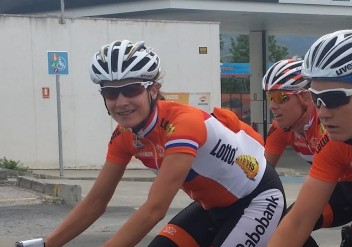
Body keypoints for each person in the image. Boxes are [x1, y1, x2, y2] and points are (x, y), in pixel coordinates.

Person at [44, 40, 286, 247]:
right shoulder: (124, 135)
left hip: (258, 199)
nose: (121, 101)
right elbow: (95, 203)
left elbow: (155, 208)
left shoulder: (184, 123)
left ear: (153, 90)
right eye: (110, 93)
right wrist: (46, 244)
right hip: (210, 207)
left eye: (131, 89)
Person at [267, 29, 352, 247]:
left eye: (334, 98)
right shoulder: (334, 142)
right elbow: (298, 222)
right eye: (316, 99)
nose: (322, 112)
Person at [263, 59, 352, 247]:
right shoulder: (280, 129)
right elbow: (263, 177)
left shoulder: (330, 125)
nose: (273, 106)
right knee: (282, 227)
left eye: (281, 97)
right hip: (339, 191)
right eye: (270, 97)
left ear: (306, 98)